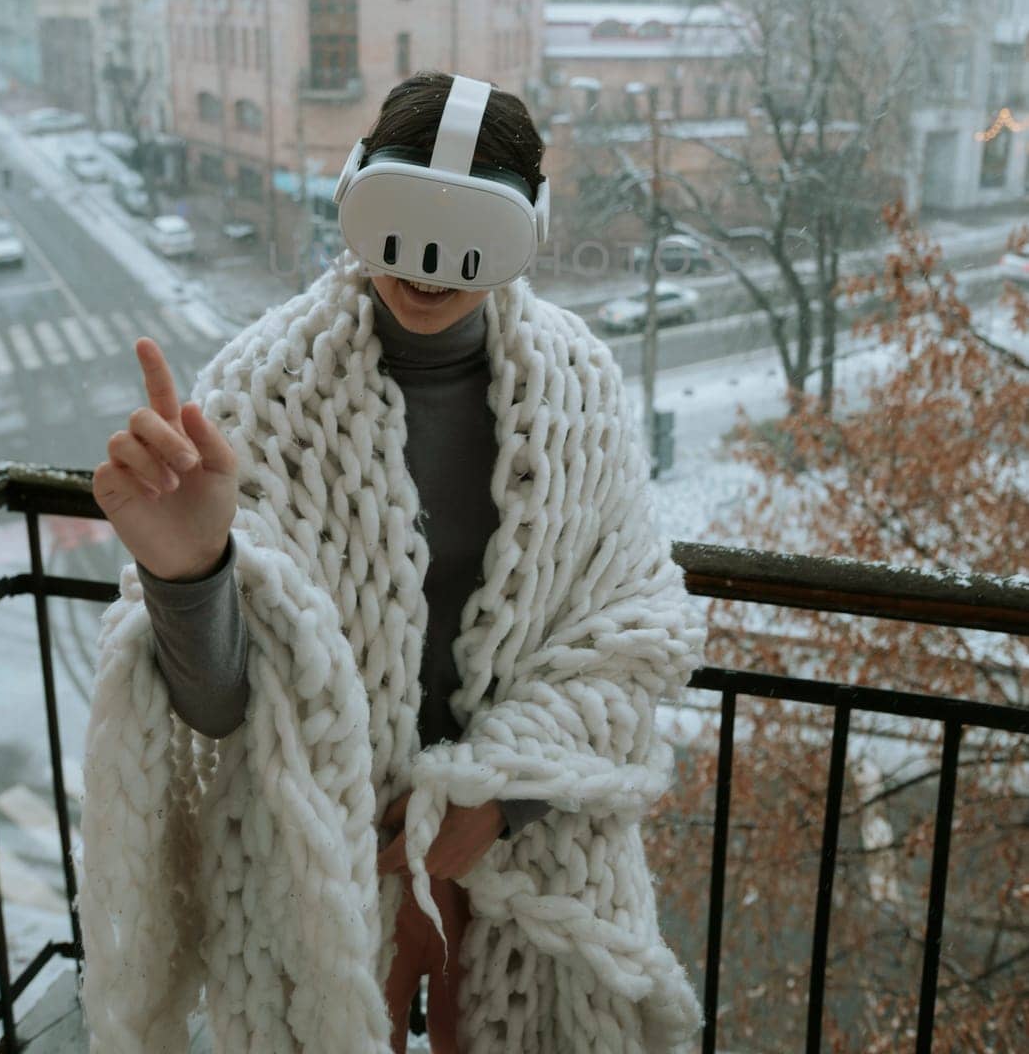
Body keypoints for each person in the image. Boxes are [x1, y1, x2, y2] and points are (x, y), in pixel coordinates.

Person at [82, 70, 706, 1054]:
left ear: (524, 230)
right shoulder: (255, 394)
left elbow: (631, 628)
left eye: (470, 234)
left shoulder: (579, 384)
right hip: (320, 856)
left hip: (529, 852)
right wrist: (187, 571)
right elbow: (219, 706)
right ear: (351, 192)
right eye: (400, 218)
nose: (425, 266)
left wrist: (501, 796)